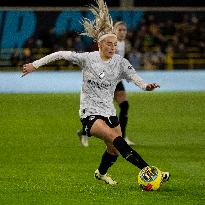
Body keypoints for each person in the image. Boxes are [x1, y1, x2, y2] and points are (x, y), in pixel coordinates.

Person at [22, 0, 170, 186]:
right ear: (100, 44)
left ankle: (101, 173)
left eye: (115, 45)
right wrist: (34, 65)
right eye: (109, 44)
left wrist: (146, 86)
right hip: (90, 113)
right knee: (117, 140)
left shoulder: (120, 62)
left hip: (109, 111)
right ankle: (150, 171)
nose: (112, 48)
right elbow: (59, 54)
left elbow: (134, 77)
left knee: (113, 149)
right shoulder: (87, 59)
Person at [77, 21, 136, 147]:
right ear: (114, 31)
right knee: (102, 114)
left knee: (124, 106)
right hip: (103, 81)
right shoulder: (108, 43)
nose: (122, 32)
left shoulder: (125, 44)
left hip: (115, 81)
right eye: (120, 30)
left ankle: (122, 137)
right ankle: (85, 131)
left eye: (124, 30)